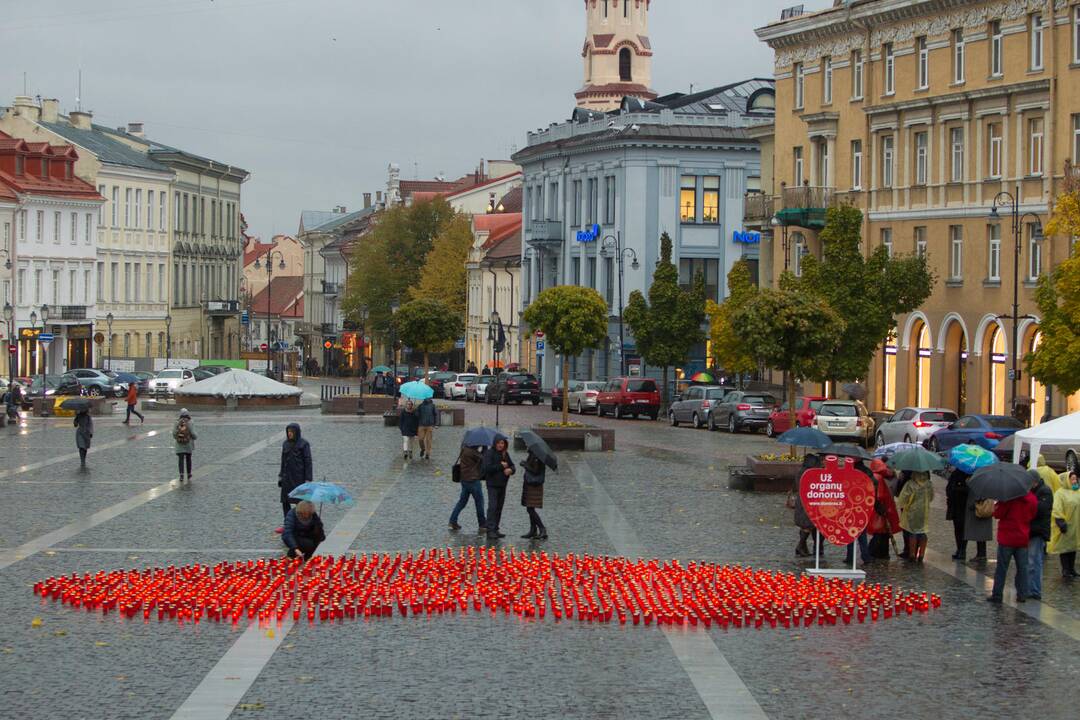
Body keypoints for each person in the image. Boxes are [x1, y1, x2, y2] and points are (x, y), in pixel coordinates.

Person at [988, 488, 1038, 603]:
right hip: (1022, 538)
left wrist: (998, 505)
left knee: (1002, 568)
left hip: (1007, 538)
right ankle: (1022, 595)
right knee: (1022, 568)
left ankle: (997, 595)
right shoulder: (1031, 498)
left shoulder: (1008, 498)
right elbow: (1033, 514)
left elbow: (998, 514)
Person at [277, 423, 313, 529]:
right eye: (288, 432)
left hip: (299, 478)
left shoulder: (304, 444)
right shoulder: (285, 444)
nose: (289, 434)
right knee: (285, 501)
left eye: (291, 432)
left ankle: (300, 523)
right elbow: (283, 461)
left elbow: (308, 461)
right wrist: (280, 475)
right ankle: (287, 523)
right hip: (287, 477)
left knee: (299, 502)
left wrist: (308, 478)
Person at [481, 437, 515, 540]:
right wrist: (500, 466)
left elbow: (513, 466)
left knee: (499, 507)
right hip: (492, 485)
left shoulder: (505, 454)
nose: (501, 445)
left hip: (502, 484)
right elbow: (487, 468)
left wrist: (511, 470)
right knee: (493, 506)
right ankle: (490, 530)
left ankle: (495, 528)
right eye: (499, 443)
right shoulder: (489, 453)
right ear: (495, 443)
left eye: (503, 443)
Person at [866, 459, 901, 560]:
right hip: (885, 507)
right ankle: (883, 553)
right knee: (883, 532)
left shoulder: (876, 477)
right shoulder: (883, 477)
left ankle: (874, 552)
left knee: (880, 532)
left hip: (880, 508)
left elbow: (879, 495)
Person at [1028, 469, 1054, 600]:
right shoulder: (1033, 491)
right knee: (1030, 562)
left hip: (1037, 532)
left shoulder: (1045, 491)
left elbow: (1040, 509)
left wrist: (1028, 503)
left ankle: (1035, 590)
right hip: (1031, 531)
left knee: (1035, 561)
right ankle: (1030, 588)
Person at [1049, 470, 1080, 579]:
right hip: (1066, 525)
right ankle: (1066, 569)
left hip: (1076, 525)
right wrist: (1061, 522)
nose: (1074, 481)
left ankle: (1072, 569)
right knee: (1064, 548)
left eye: (1075, 479)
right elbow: (1057, 509)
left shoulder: (1077, 491)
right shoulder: (1060, 493)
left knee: (1073, 547)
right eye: (1072, 479)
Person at [897, 471, 934, 562]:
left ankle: (912, 554)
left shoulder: (910, 484)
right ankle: (921, 555)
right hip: (924, 511)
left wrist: (902, 505)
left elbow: (903, 497)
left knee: (912, 531)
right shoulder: (928, 483)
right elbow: (931, 497)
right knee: (923, 531)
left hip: (912, 511)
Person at [449, 444, 486, 532]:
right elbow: (483, 459)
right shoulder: (473, 452)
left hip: (464, 480)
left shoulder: (464, 449)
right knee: (479, 502)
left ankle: (452, 520)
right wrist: (485, 449)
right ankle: (482, 524)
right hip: (473, 480)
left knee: (462, 502)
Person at [844, 459, 874, 565]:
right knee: (862, 533)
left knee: (851, 532)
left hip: (851, 506)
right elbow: (874, 484)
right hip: (863, 505)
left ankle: (850, 557)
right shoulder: (867, 471)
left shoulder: (850, 472)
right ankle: (866, 557)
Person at [793, 453, 821, 557]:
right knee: (807, 525)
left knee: (805, 526)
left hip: (801, 501)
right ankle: (800, 547)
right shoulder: (810, 473)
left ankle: (803, 548)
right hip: (808, 502)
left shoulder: (801, 471)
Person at [520, 451, 547, 540]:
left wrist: (525, 465)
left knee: (530, 509)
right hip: (530, 484)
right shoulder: (533, 454)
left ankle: (542, 529)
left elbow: (536, 470)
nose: (526, 444)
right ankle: (533, 530)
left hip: (534, 485)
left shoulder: (537, 455)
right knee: (530, 508)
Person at [945, 467, 971, 560]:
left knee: (962, 528)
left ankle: (962, 550)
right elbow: (949, 488)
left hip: (963, 505)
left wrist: (957, 489)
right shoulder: (956, 473)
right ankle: (960, 549)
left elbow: (969, 490)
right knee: (958, 528)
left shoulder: (970, 475)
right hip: (956, 505)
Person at [963, 481, 992, 563]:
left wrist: (972, 504)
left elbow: (976, 499)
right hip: (984, 511)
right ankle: (981, 554)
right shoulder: (987, 482)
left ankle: (981, 555)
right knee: (981, 535)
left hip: (980, 511)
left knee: (980, 535)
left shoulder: (977, 483)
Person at [173, 409, 196, 482]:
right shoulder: (190, 422)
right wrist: (195, 437)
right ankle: (189, 474)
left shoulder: (177, 422)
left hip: (179, 444)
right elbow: (193, 433)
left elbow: (174, 433)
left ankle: (181, 475)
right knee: (188, 459)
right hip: (188, 444)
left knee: (181, 459)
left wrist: (178, 437)